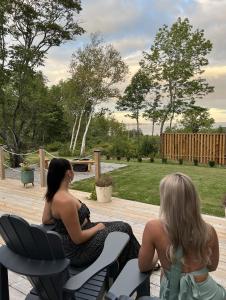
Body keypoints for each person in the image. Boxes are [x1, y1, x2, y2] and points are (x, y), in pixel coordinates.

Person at [42, 158, 140, 273]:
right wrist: (97, 227)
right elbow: (77, 239)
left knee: (122, 226)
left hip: (81, 236)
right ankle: (139, 264)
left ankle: (135, 262)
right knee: (124, 228)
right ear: (69, 173)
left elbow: (46, 219)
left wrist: (66, 222)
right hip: (79, 251)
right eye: (72, 168)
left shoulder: (53, 193)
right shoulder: (65, 201)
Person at [138, 172, 226, 299]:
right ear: (194, 199)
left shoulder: (153, 228)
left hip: (172, 292)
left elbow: (143, 266)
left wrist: (160, 254)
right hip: (207, 293)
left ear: (166, 200)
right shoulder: (208, 230)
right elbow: (212, 266)